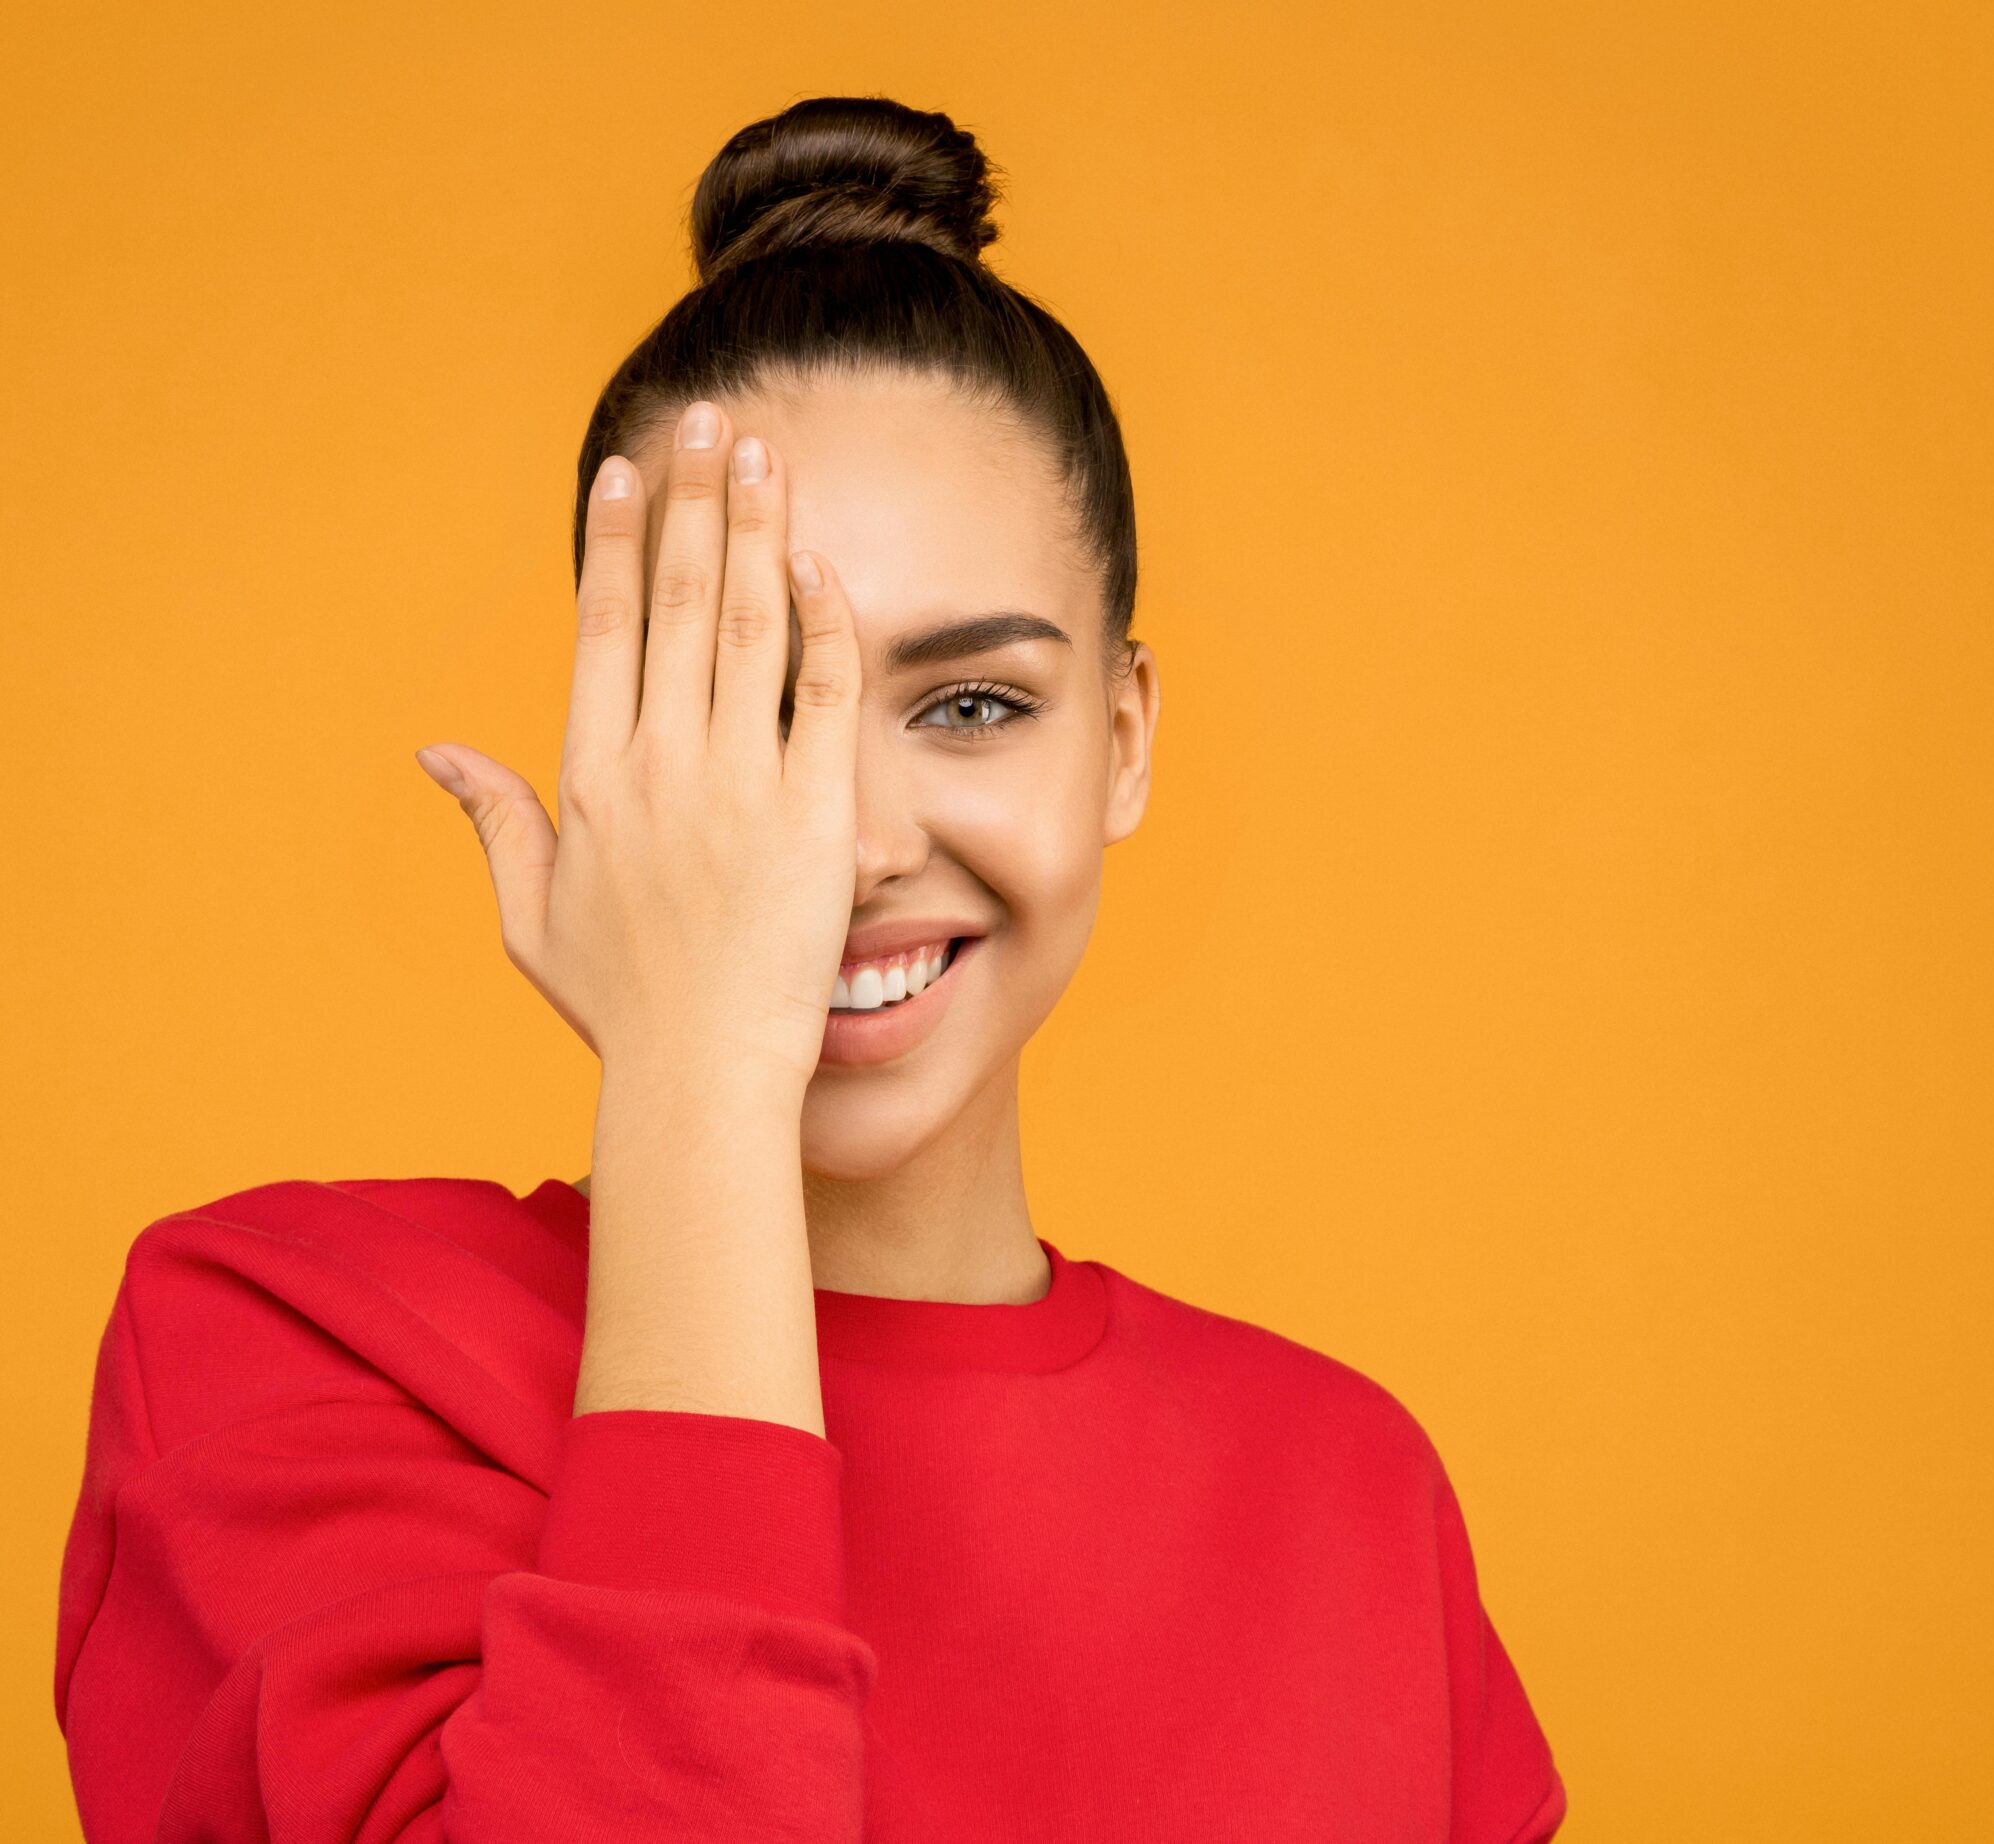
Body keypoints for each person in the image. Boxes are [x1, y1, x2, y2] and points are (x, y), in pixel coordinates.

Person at [52, 94, 1566, 1841]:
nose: (847, 843)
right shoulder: (292, 1342)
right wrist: (692, 1064)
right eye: (751, 700)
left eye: (975, 704)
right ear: (619, 738)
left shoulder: (1346, 1494)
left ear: (1127, 741)